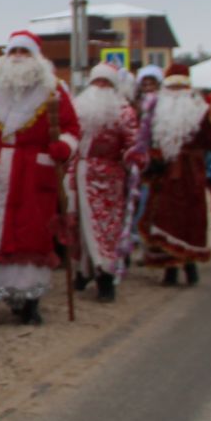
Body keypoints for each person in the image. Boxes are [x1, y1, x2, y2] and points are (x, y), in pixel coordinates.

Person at [0, 31, 81, 325]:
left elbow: (71, 129)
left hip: (36, 172)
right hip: (4, 173)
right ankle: (10, 294)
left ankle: (32, 298)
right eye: (14, 50)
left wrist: (63, 147)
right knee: (3, 233)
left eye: (25, 51)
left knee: (33, 233)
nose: (18, 56)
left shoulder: (53, 91)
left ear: (37, 58)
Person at [131, 63, 211, 285]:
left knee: (190, 220)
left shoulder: (200, 110)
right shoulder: (155, 110)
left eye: (180, 88)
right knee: (163, 219)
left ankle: (190, 264)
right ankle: (169, 268)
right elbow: (144, 139)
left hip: (190, 173)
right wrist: (151, 160)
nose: (176, 93)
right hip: (163, 174)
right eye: (172, 88)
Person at [69, 62, 142, 303]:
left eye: (106, 82)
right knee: (79, 226)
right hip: (78, 173)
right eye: (97, 81)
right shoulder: (77, 107)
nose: (100, 86)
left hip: (109, 178)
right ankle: (83, 271)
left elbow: (133, 143)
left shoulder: (123, 111)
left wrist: (133, 156)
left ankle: (105, 277)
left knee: (105, 229)